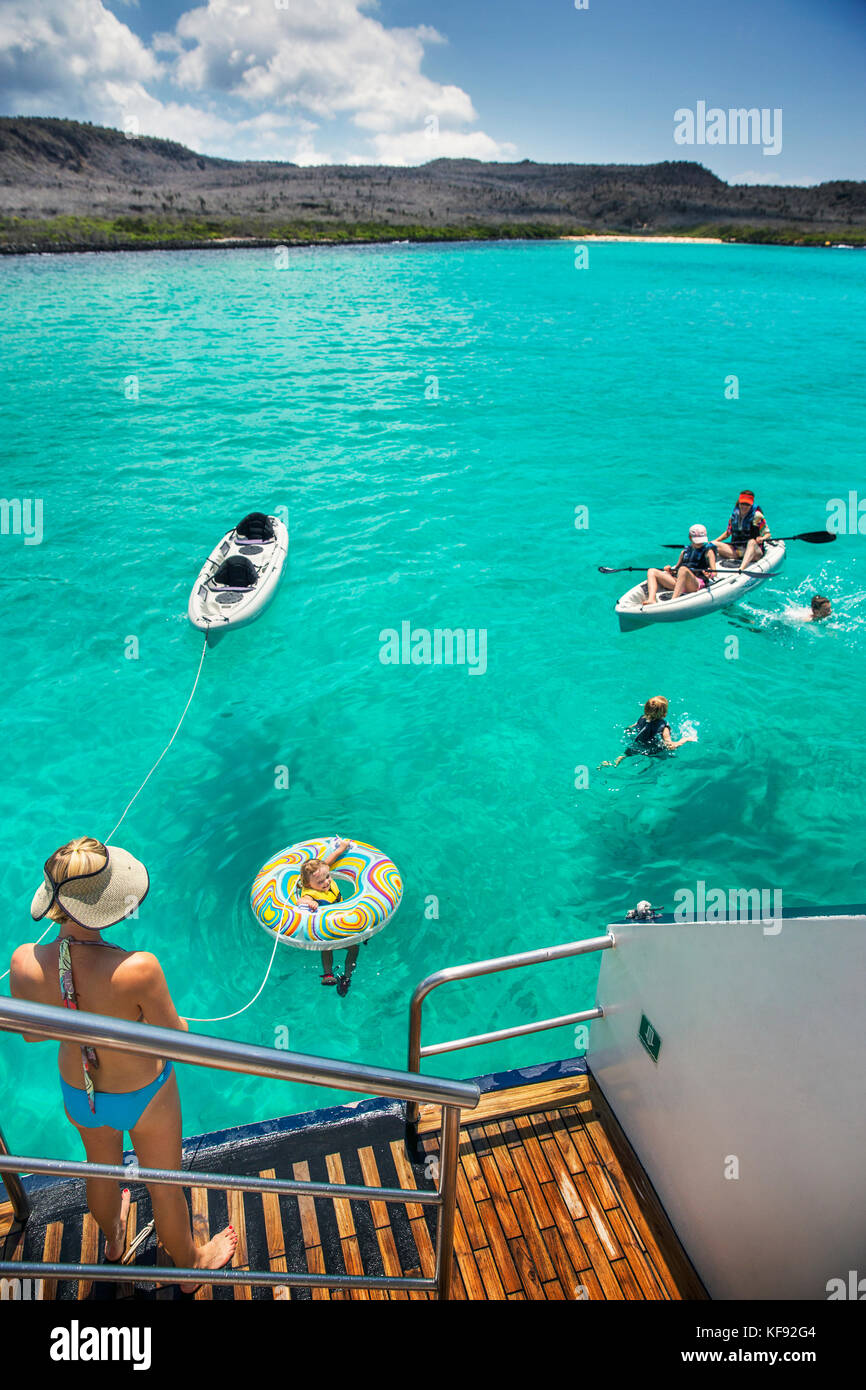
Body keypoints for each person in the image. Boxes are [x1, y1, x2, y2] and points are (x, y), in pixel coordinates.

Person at [9, 837, 237, 1291]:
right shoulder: (138, 968)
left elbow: (34, 1034)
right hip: (144, 1096)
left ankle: (114, 1242)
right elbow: (174, 1041)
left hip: (81, 1092)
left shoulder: (24, 962)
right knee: (164, 1186)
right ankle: (191, 1268)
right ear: (110, 905)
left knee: (102, 1170)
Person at [295, 838, 359, 996]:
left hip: (342, 921)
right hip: (326, 928)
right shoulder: (309, 893)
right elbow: (300, 900)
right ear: (309, 884)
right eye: (320, 881)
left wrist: (340, 849)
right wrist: (309, 903)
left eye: (328, 877)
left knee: (341, 948)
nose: (326, 882)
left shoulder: (323, 876)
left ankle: (345, 977)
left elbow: (327, 863)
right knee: (333, 947)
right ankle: (329, 974)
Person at [599, 696, 697, 768]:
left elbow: (632, 727)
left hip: (636, 744)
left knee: (624, 755)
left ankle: (612, 763)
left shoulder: (642, 718)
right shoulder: (664, 728)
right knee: (668, 756)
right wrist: (685, 739)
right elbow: (670, 746)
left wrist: (627, 729)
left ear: (646, 710)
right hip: (651, 751)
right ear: (664, 714)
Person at [642, 524, 718, 606]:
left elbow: (714, 572)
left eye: (701, 540)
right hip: (679, 583)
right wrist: (670, 570)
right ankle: (651, 599)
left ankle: (673, 600)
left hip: (695, 584)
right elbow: (676, 569)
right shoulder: (684, 552)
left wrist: (710, 574)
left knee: (683, 569)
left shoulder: (708, 552)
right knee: (651, 571)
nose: (700, 543)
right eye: (697, 540)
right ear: (690, 537)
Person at [714, 490, 772, 571]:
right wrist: (713, 542)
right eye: (742, 503)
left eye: (747, 504)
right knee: (713, 544)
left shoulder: (757, 516)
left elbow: (767, 534)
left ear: (751, 504)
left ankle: (741, 569)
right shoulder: (734, 516)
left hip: (754, 553)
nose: (744, 506)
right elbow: (728, 533)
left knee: (751, 542)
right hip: (738, 551)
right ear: (739, 503)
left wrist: (762, 538)